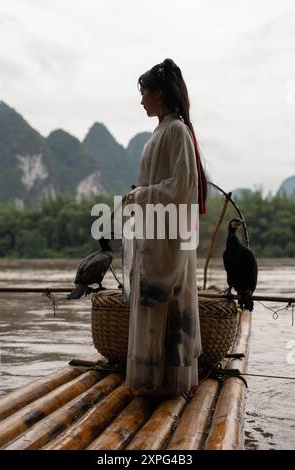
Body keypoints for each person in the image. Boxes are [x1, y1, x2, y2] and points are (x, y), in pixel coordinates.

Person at [123, 58, 207, 397]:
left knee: (169, 306)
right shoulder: (160, 132)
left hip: (168, 238)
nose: (141, 100)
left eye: (144, 92)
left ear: (159, 94)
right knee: (151, 304)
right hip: (153, 234)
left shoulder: (176, 131)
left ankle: (167, 388)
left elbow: (182, 186)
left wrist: (140, 195)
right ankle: (151, 384)